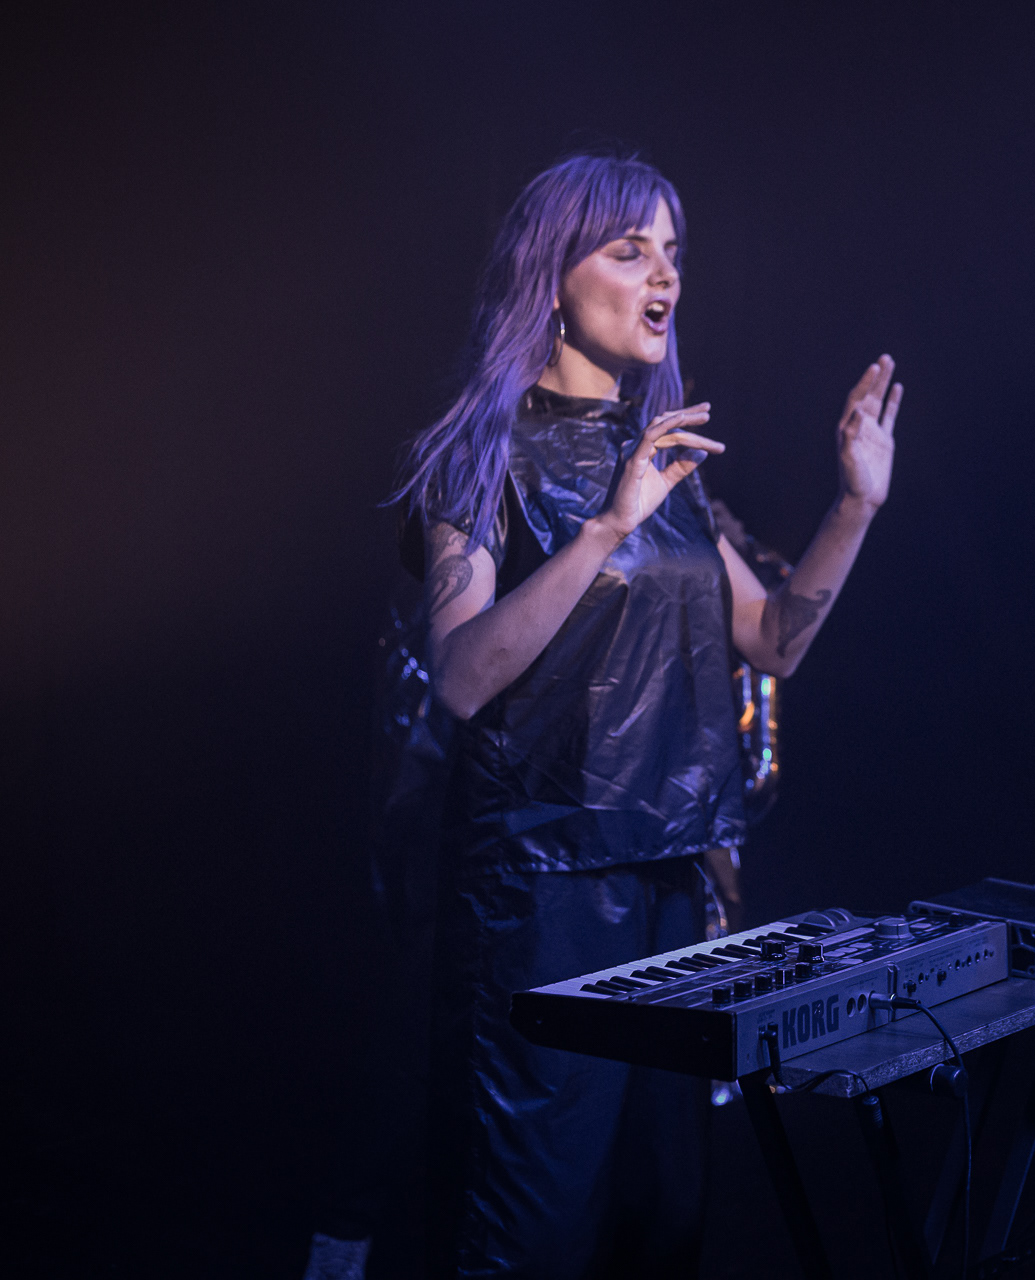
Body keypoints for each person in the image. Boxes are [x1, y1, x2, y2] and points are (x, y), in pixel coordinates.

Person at [388, 152, 902, 1279]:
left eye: (674, 251)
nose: (665, 273)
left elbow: (776, 640)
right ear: (551, 277)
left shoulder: (661, 462)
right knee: (533, 1231)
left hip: (672, 889)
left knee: (660, 1222)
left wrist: (855, 504)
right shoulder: (480, 455)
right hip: (539, 899)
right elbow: (463, 676)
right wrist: (606, 528)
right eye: (631, 249)